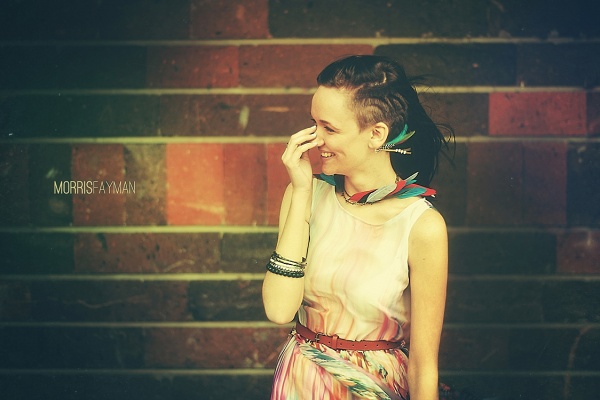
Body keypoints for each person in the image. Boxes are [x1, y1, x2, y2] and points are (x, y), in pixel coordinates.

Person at [262, 54, 452, 400]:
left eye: (329, 128)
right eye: (314, 124)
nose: (315, 139)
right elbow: (278, 310)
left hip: (373, 387)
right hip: (300, 382)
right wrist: (301, 192)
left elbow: (424, 365)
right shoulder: (305, 193)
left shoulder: (422, 225)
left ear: (376, 134)